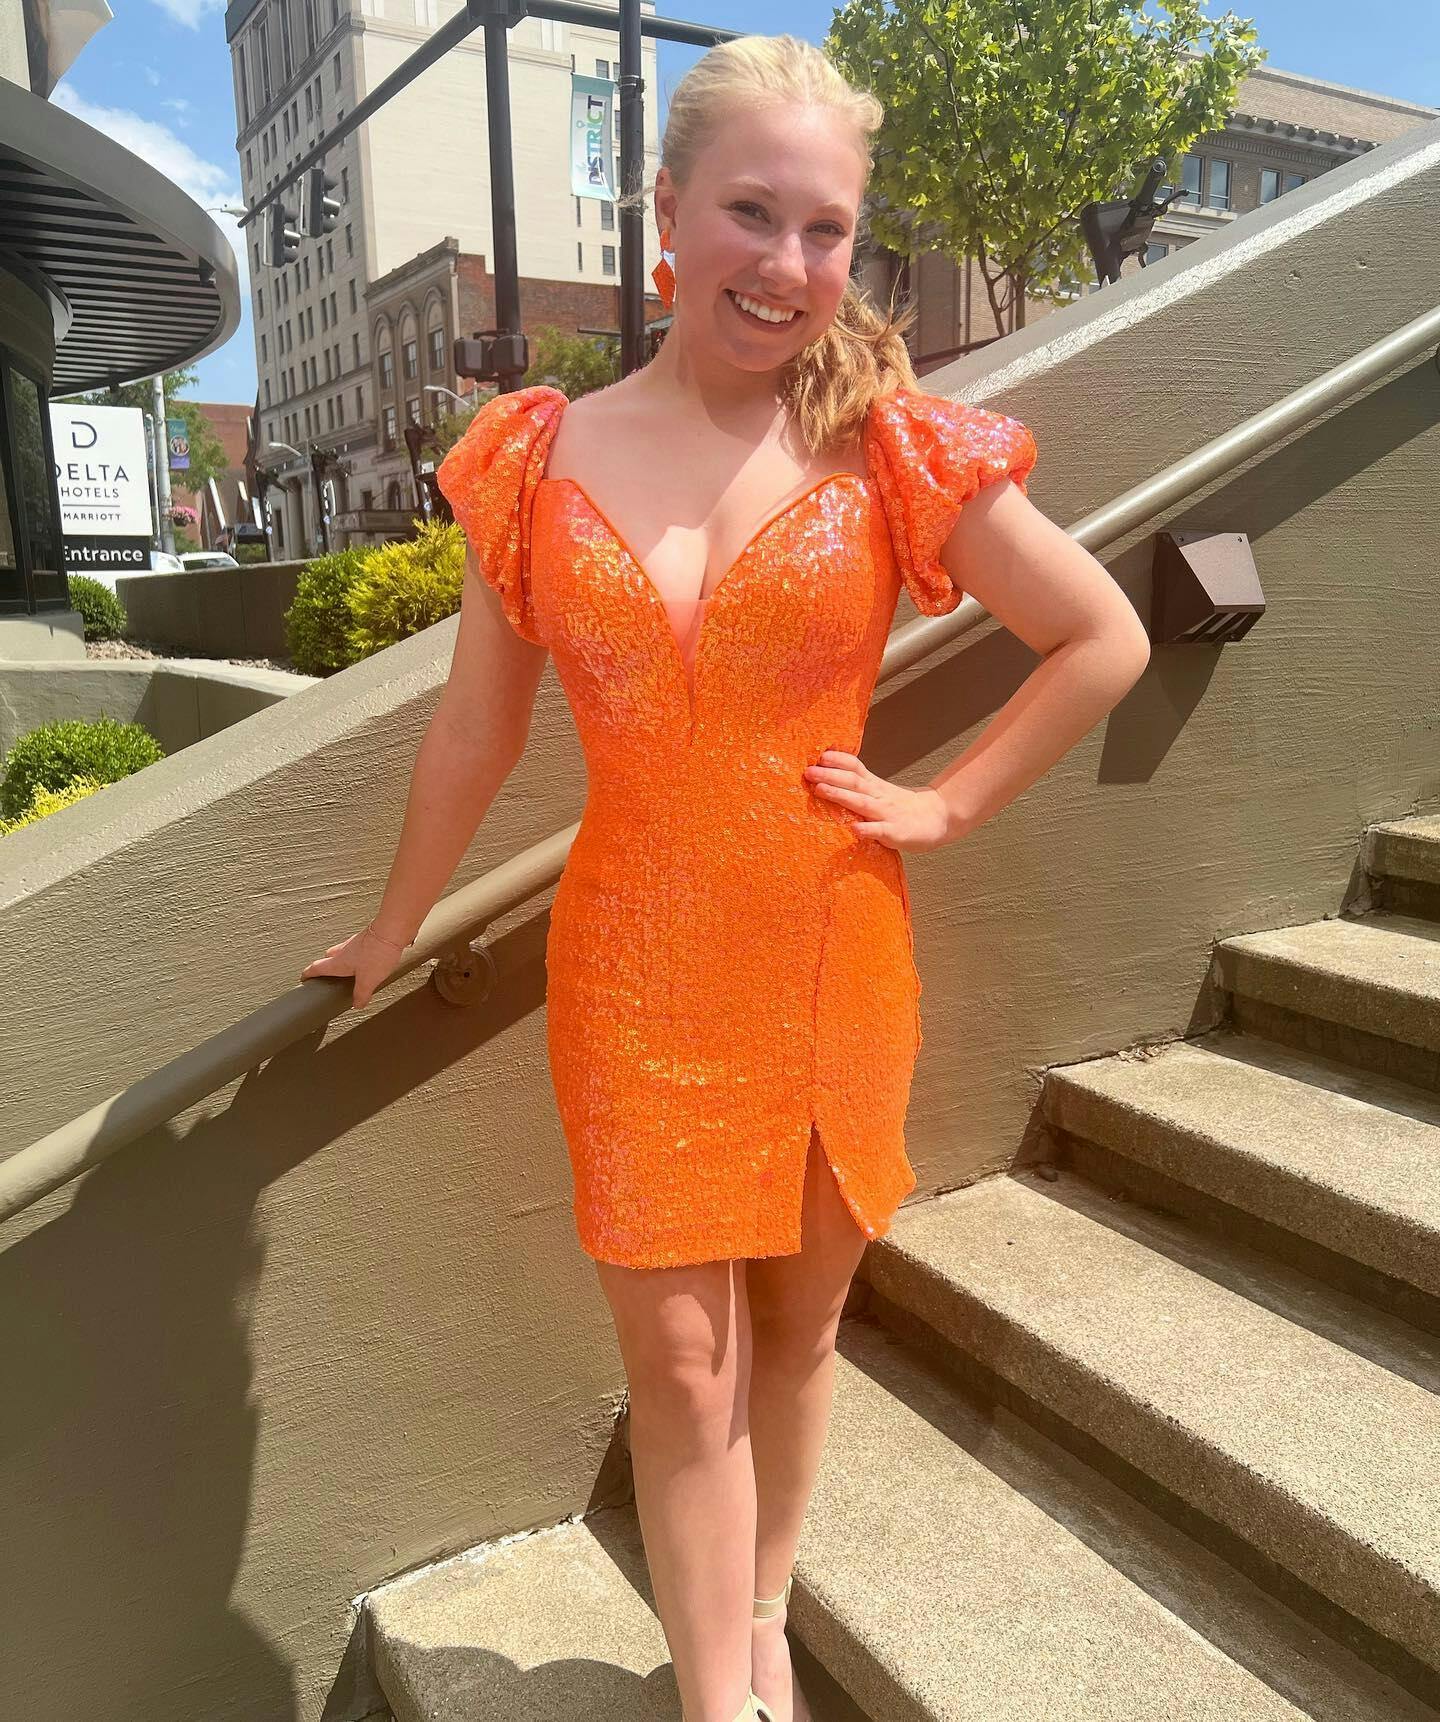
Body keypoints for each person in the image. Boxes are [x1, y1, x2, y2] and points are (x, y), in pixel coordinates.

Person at [300, 32, 1149, 1722]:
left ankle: (763, 1607)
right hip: (632, 966)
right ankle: (718, 1695)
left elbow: (1101, 635)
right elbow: (475, 728)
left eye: (827, 229)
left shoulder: (887, 445)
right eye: (754, 212)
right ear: (668, 210)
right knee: (684, 1366)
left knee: (802, 1327)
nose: (789, 262)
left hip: (830, 950)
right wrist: (393, 923)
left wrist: (946, 804)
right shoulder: (537, 452)